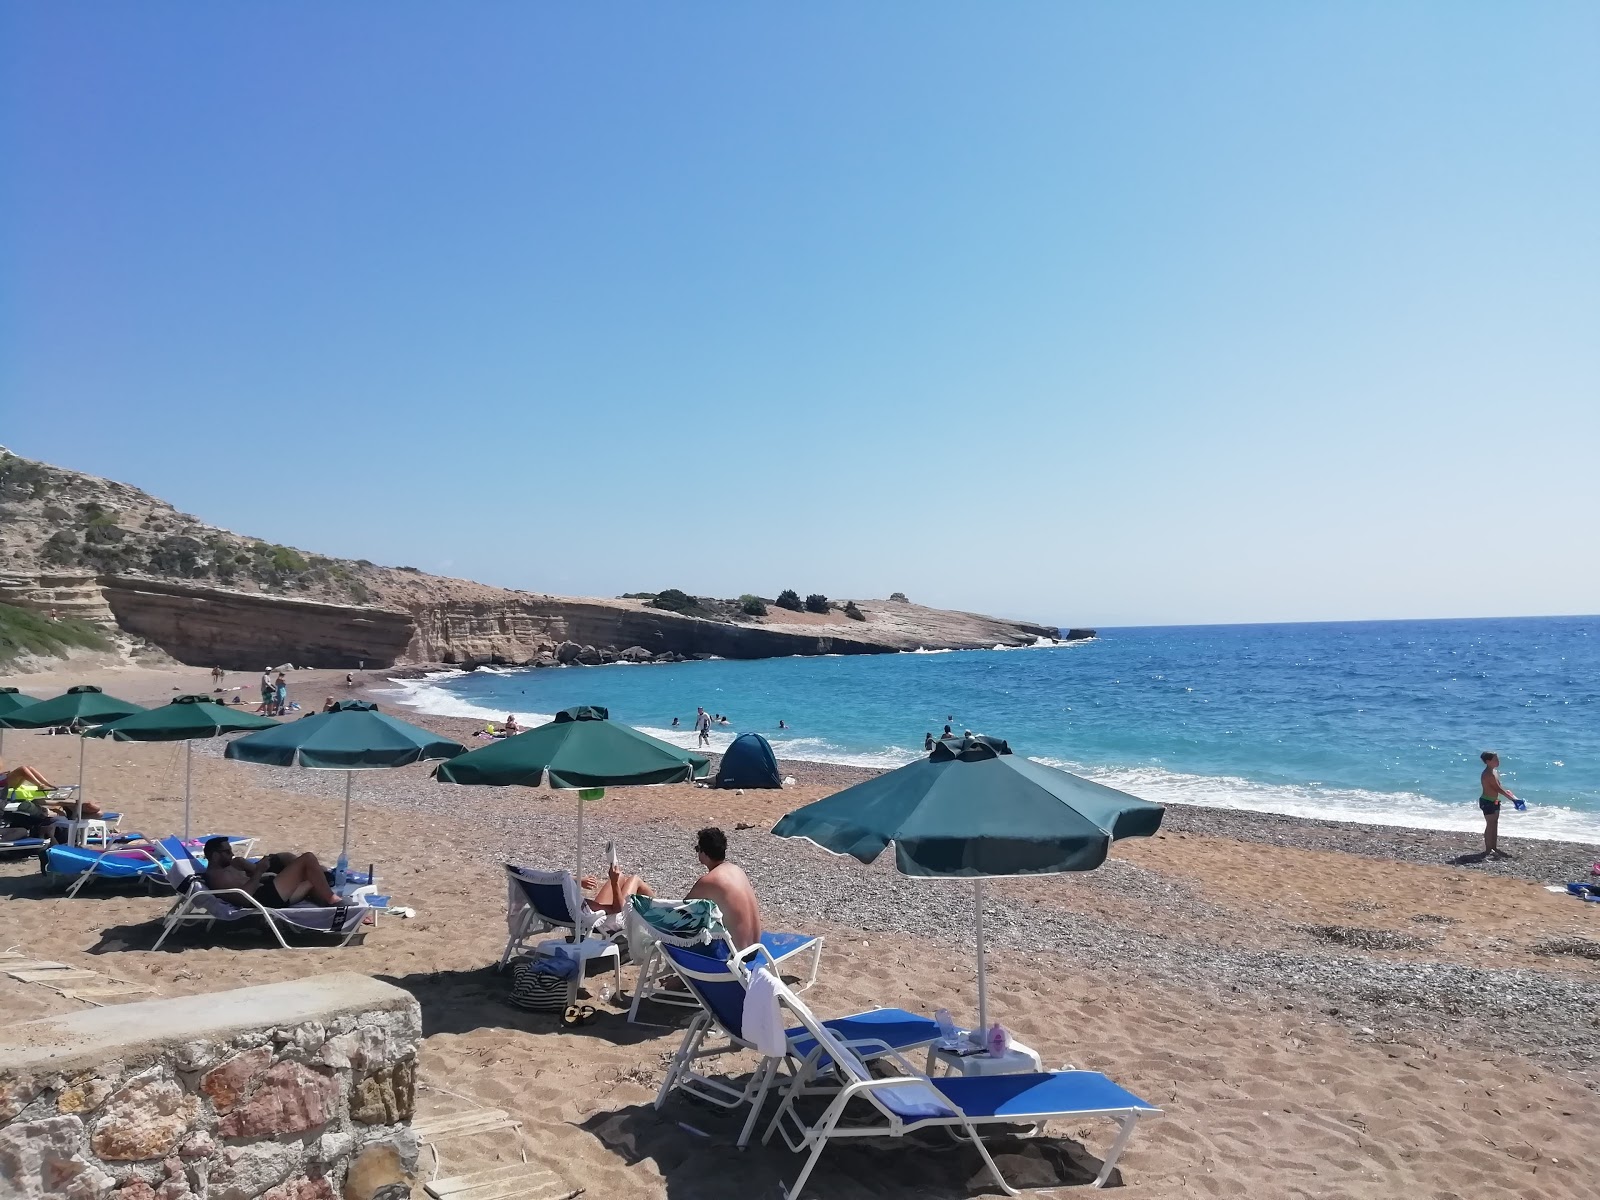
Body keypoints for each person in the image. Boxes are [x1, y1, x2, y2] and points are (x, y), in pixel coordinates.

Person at [202, 836, 339, 907]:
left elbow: (256, 872)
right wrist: (259, 872)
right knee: (307, 859)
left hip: (266, 890)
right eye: (227, 852)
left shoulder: (230, 865)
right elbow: (243, 899)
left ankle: (327, 901)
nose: (231, 854)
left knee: (312, 876)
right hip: (263, 899)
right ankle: (331, 899)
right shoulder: (216, 877)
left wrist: (261, 867)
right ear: (215, 856)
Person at [685, 826, 762, 950]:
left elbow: (681, 910)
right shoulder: (737, 870)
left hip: (735, 955)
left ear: (704, 852)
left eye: (697, 849)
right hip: (756, 948)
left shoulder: (709, 881)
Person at [1478, 751, 1520, 859]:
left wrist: (1510, 794)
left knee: (1495, 823)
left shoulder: (1494, 771)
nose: (1498, 761)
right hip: (1487, 801)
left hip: (1494, 800)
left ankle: (1494, 847)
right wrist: (1512, 799)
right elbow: (1497, 789)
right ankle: (1488, 849)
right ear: (1488, 761)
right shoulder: (1488, 774)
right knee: (1490, 824)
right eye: (1495, 759)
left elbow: (1499, 786)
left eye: (1498, 759)